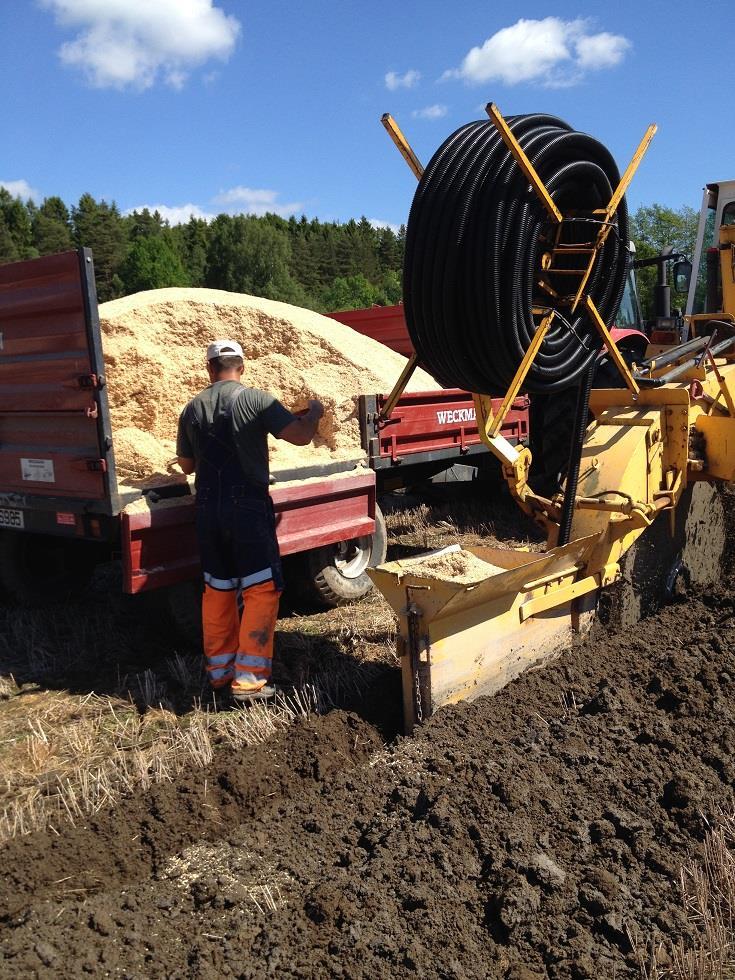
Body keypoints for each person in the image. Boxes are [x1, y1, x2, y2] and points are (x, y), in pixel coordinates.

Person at [176, 339, 323, 703]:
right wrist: (315, 413)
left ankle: (219, 673)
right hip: (248, 510)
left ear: (209, 369)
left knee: (218, 591)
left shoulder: (191, 409)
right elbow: (301, 437)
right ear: (241, 367)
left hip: (208, 511)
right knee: (259, 589)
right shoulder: (257, 400)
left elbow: (187, 466)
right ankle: (250, 680)